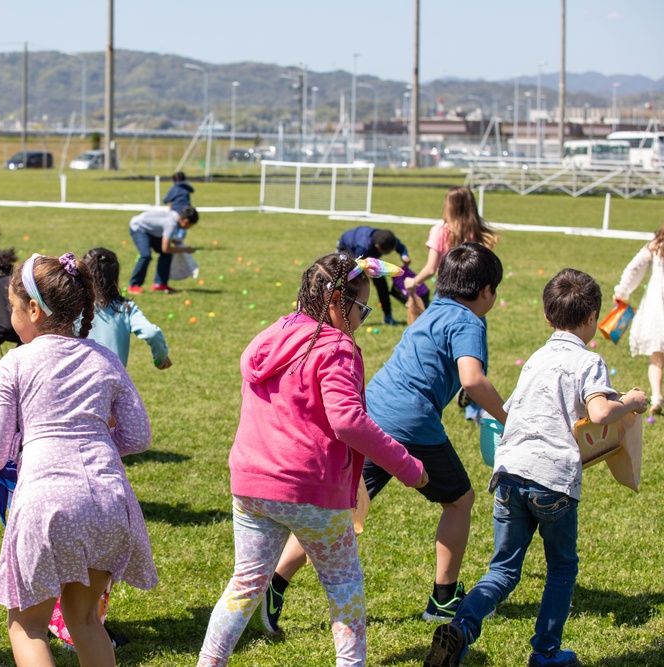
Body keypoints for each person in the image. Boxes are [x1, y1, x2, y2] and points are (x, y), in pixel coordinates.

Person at [261, 243, 507, 633]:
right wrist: (509, 417)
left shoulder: (437, 310)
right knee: (460, 500)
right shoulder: (469, 321)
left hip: (371, 415)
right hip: (412, 425)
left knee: (341, 511)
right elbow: (471, 379)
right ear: (485, 292)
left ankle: (272, 587)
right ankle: (443, 600)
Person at [197, 252, 427, 667]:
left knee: (245, 584)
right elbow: (348, 421)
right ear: (338, 300)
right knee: (343, 585)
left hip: (251, 485)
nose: (363, 318)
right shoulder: (336, 347)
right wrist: (408, 467)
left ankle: (209, 663)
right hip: (310, 490)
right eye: (362, 308)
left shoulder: (274, 333)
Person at [424, 269, 647, 667]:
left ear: (547, 318)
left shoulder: (536, 360)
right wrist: (630, 401)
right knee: (562, 567)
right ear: (594, 317)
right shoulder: (589, 360)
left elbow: (513, 413)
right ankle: (545, 653)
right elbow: (598, 412)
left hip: (509, 474)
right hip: (553, 482)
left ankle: (460, 627)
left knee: (503, 570)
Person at [0, 252, 157, 666]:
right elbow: (138, 435)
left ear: (34, 311)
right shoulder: (103, 357)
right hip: (110, 502)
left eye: (13, 307)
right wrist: (97, 439)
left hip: (48, 504)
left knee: (28, 626)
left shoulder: (16, 362)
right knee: (86, 620)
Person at [82, 247, 171, 369]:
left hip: (76, 381)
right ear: (115, 277)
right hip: (113, 381)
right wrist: (161, 357)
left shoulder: (72, 305)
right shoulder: (125, 308)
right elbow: (151, 332)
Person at [405, 186, 498, 295]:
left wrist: (414, 281)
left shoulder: (439, 231)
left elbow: (431, 269)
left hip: (446, 293)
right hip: (473, 295)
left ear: (449, 206)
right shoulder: (479, 233)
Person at [613, 221, 664, 415]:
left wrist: (622, 292)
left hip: (657, 308)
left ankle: (657, 396)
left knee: (657, 357)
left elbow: (635, 268)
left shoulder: (657, 244)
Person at [337, 226, 413, 326]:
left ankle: (388, 317)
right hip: (347, 249)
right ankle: (343, 317)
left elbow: (400, 247)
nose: (389, 253)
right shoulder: (363, 248)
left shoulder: (388, 240)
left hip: (370, 259)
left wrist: (404, 255)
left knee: (382, 286)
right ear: (377, 247)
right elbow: (355, 265)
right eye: (386, 252)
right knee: (350, 285)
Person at [127, 206, 198, 294]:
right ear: (185, 221)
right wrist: (184, 249)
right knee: (146, 255)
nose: (188, 228)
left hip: (151, 230)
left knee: (166, 255)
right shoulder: (171, 224)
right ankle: (134, 285)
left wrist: (172, 241)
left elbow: (159, 229)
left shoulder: (175, 216)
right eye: (189, 226)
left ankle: (160, 284)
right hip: (139, 227)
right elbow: (166, 249)